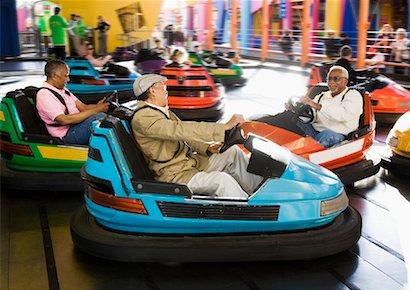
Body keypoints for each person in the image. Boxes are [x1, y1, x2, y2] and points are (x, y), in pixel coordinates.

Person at [131, 74, 262, 198]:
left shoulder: (161, 111)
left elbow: (184, 138)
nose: (166, 91)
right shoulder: (143, 118)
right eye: (163, 87)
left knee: (232, 152)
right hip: (176, 175)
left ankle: (260, 191)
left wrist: (206, 147)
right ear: (152, 91)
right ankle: (258, 214)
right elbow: (181, 130)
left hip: (191, 163)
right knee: (222, 181)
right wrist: (224, 127)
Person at [36, 60, 109, 145]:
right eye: (65, 76)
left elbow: (83, 107)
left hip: (76, 126)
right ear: (54, 76)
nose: (68, 79)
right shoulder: (44, 95)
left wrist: (99, 106)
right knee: (99, 118)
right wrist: (96, 110)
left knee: (108, 117)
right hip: (66, 135)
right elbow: (64, 120)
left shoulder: (63, 90)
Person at [290, 66, 362, 148]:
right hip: (315, 131)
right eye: (329, 79)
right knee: (293, 120)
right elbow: (311, 115)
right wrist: (296, 110)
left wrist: (318, 106)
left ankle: (305, 153)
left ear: (345, 81)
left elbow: (343, 115)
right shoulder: (322, 95)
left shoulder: (353, 95)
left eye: (336, 79)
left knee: (326, 135)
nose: (331, 82)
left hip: (337, 134)